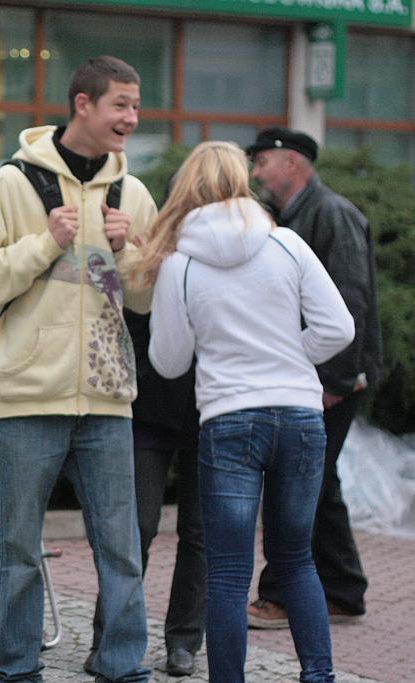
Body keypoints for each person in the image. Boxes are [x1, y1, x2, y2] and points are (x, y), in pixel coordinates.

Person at [0, 56, 156, 683]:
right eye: (120, 104)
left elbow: (147, 300)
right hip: (26, 395)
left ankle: (123, 667)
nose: (131, 117)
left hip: (107, 396)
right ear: (82, 104)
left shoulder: (134, 193)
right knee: (15, 549)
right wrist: (45, 242)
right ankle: (15, 669)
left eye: (135, 105)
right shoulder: (14, 184)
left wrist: (131, 254)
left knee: (121, 551)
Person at [144, 141, 354, 683]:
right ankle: (318, 676)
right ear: (240, 180)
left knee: (229, 573)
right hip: (301, 416)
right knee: (297, 558)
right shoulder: (286, 243)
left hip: (230, 419)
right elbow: (340, 329)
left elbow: (169, 362)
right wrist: (287, 357)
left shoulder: (179, 265)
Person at [246, 127, 381, 629]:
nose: (257, 173)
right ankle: (344, 591)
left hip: (331, 380)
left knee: (298, 482)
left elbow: (351, 302)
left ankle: (281, 595)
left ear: (292, 162)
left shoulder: (330, 214)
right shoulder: (298, 216)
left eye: (262, 162)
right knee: (317, 484)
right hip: (317, 377)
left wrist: (333, 381)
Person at [88, 309, 204, 678]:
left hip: (212, 406)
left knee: (199, 532)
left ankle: (184, 642)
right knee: (137, 526)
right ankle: (108, 638)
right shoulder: (150, 255)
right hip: (148, 406)